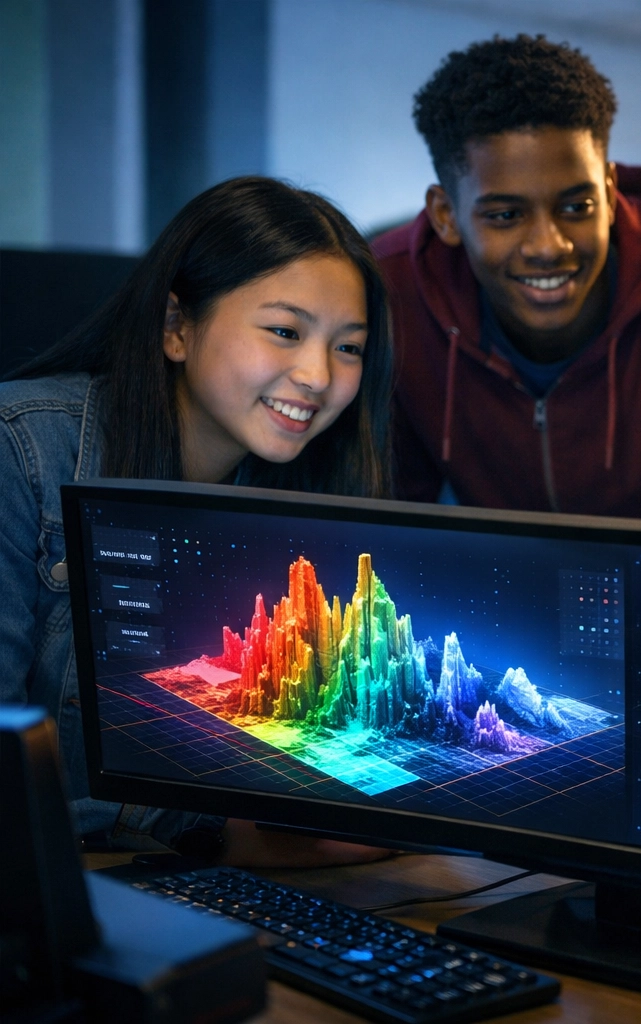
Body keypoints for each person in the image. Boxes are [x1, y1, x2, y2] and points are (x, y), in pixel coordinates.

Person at [1, 176, 394, 866]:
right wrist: (205, 828)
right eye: (285, 331)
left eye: (348, 347)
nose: (318, 375)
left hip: (165, 880)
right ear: (177, 328)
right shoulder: (22, 452)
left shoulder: (304, 494)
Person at [378, 35, 641, 516]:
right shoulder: (394, 297)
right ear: (445, 215)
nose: (549, 246)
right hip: (497, 587)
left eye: (576, 206)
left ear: (609, 194)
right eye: (505, 216)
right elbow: (392, 519)